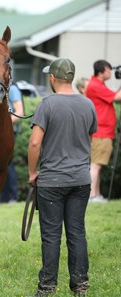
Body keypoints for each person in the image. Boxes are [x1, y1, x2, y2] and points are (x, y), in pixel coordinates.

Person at [28, 58, 97, 296]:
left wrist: (32, 172)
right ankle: (80, 285)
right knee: (77, 232)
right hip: (80, 179)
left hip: (52, 181)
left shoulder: (46, 105)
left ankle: (47, 286)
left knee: (51, 234)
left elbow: (35, 142)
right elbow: (89, 141)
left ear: (52, 78)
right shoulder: (88, 104)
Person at [86, 60, 121, 202]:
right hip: (101, 131)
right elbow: (117, 97)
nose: (111, 72)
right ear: (101, 72)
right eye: (108, 70)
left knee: (97, 164)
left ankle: (96, 194)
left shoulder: (98, 84)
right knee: (95, 165)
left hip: (101, 131)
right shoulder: (95, 85)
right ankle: (92, 196)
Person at [0, 82, 24, 203]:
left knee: (8, 164)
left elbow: (20, 112)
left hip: (7, 132)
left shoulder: (12, 89)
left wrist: (4, 123)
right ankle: (2, 197)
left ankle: (13, 196)